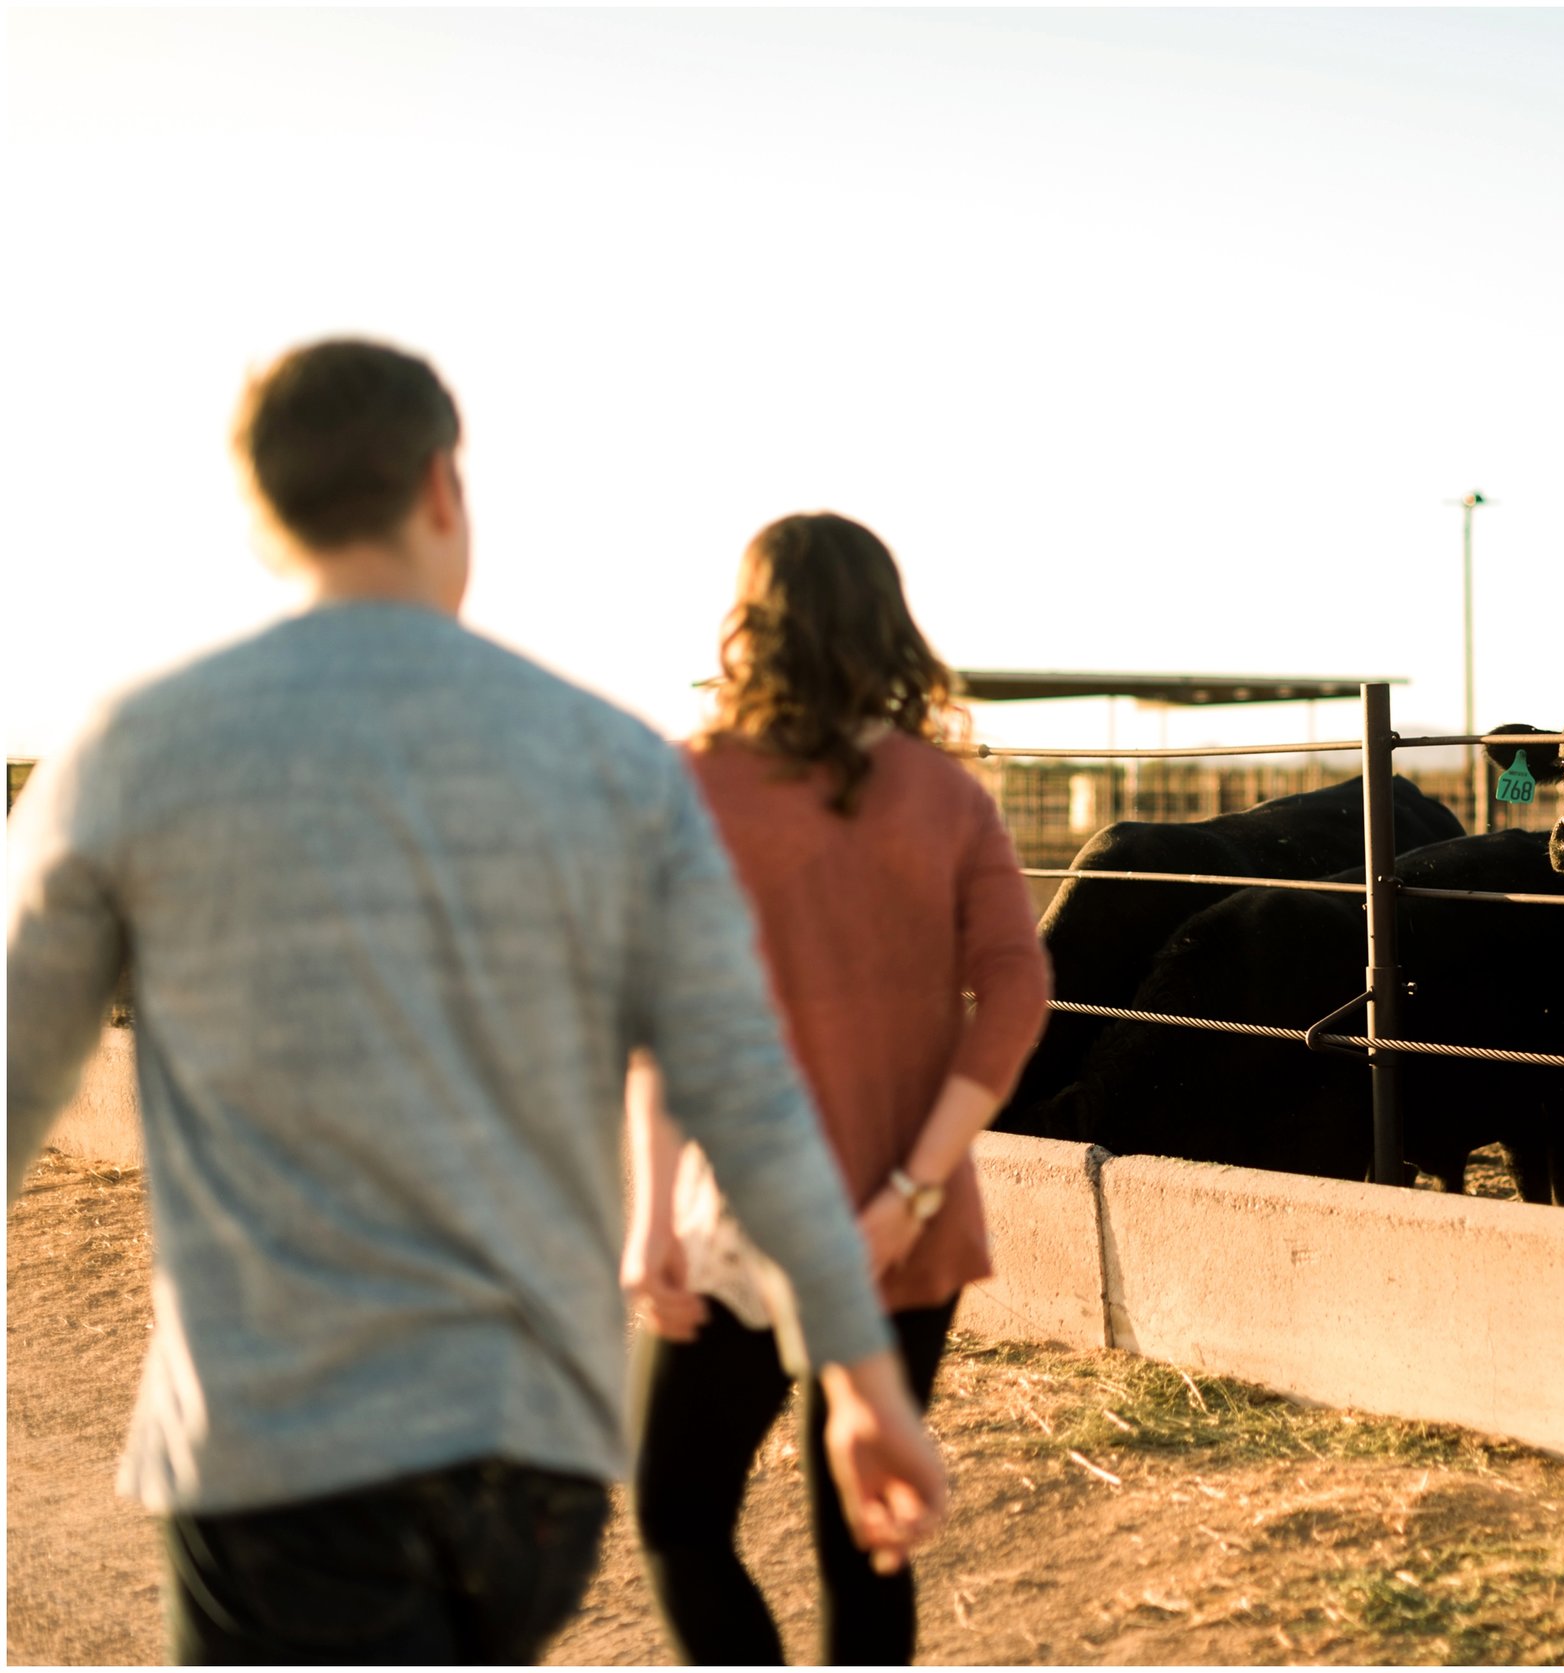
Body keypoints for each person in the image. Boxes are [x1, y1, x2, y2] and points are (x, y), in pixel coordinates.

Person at [4, 338, 949, 1665]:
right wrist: (857, 1375)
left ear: (259, 513)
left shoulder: (129, 749)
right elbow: (747, 1089)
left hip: (272, 1446)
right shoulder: (611, 762)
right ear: (444, 486)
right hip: (529, 1458)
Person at [624, 511, 1049, 1665]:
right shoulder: (945, 796)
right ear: (887, 626)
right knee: (867, 1536)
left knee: (677, 1513)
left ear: (750, 625)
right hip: (895, 1222)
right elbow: (1016, 994)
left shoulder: (693, 785)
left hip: (736, 1215)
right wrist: (913, 1187)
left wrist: (649, 1216)